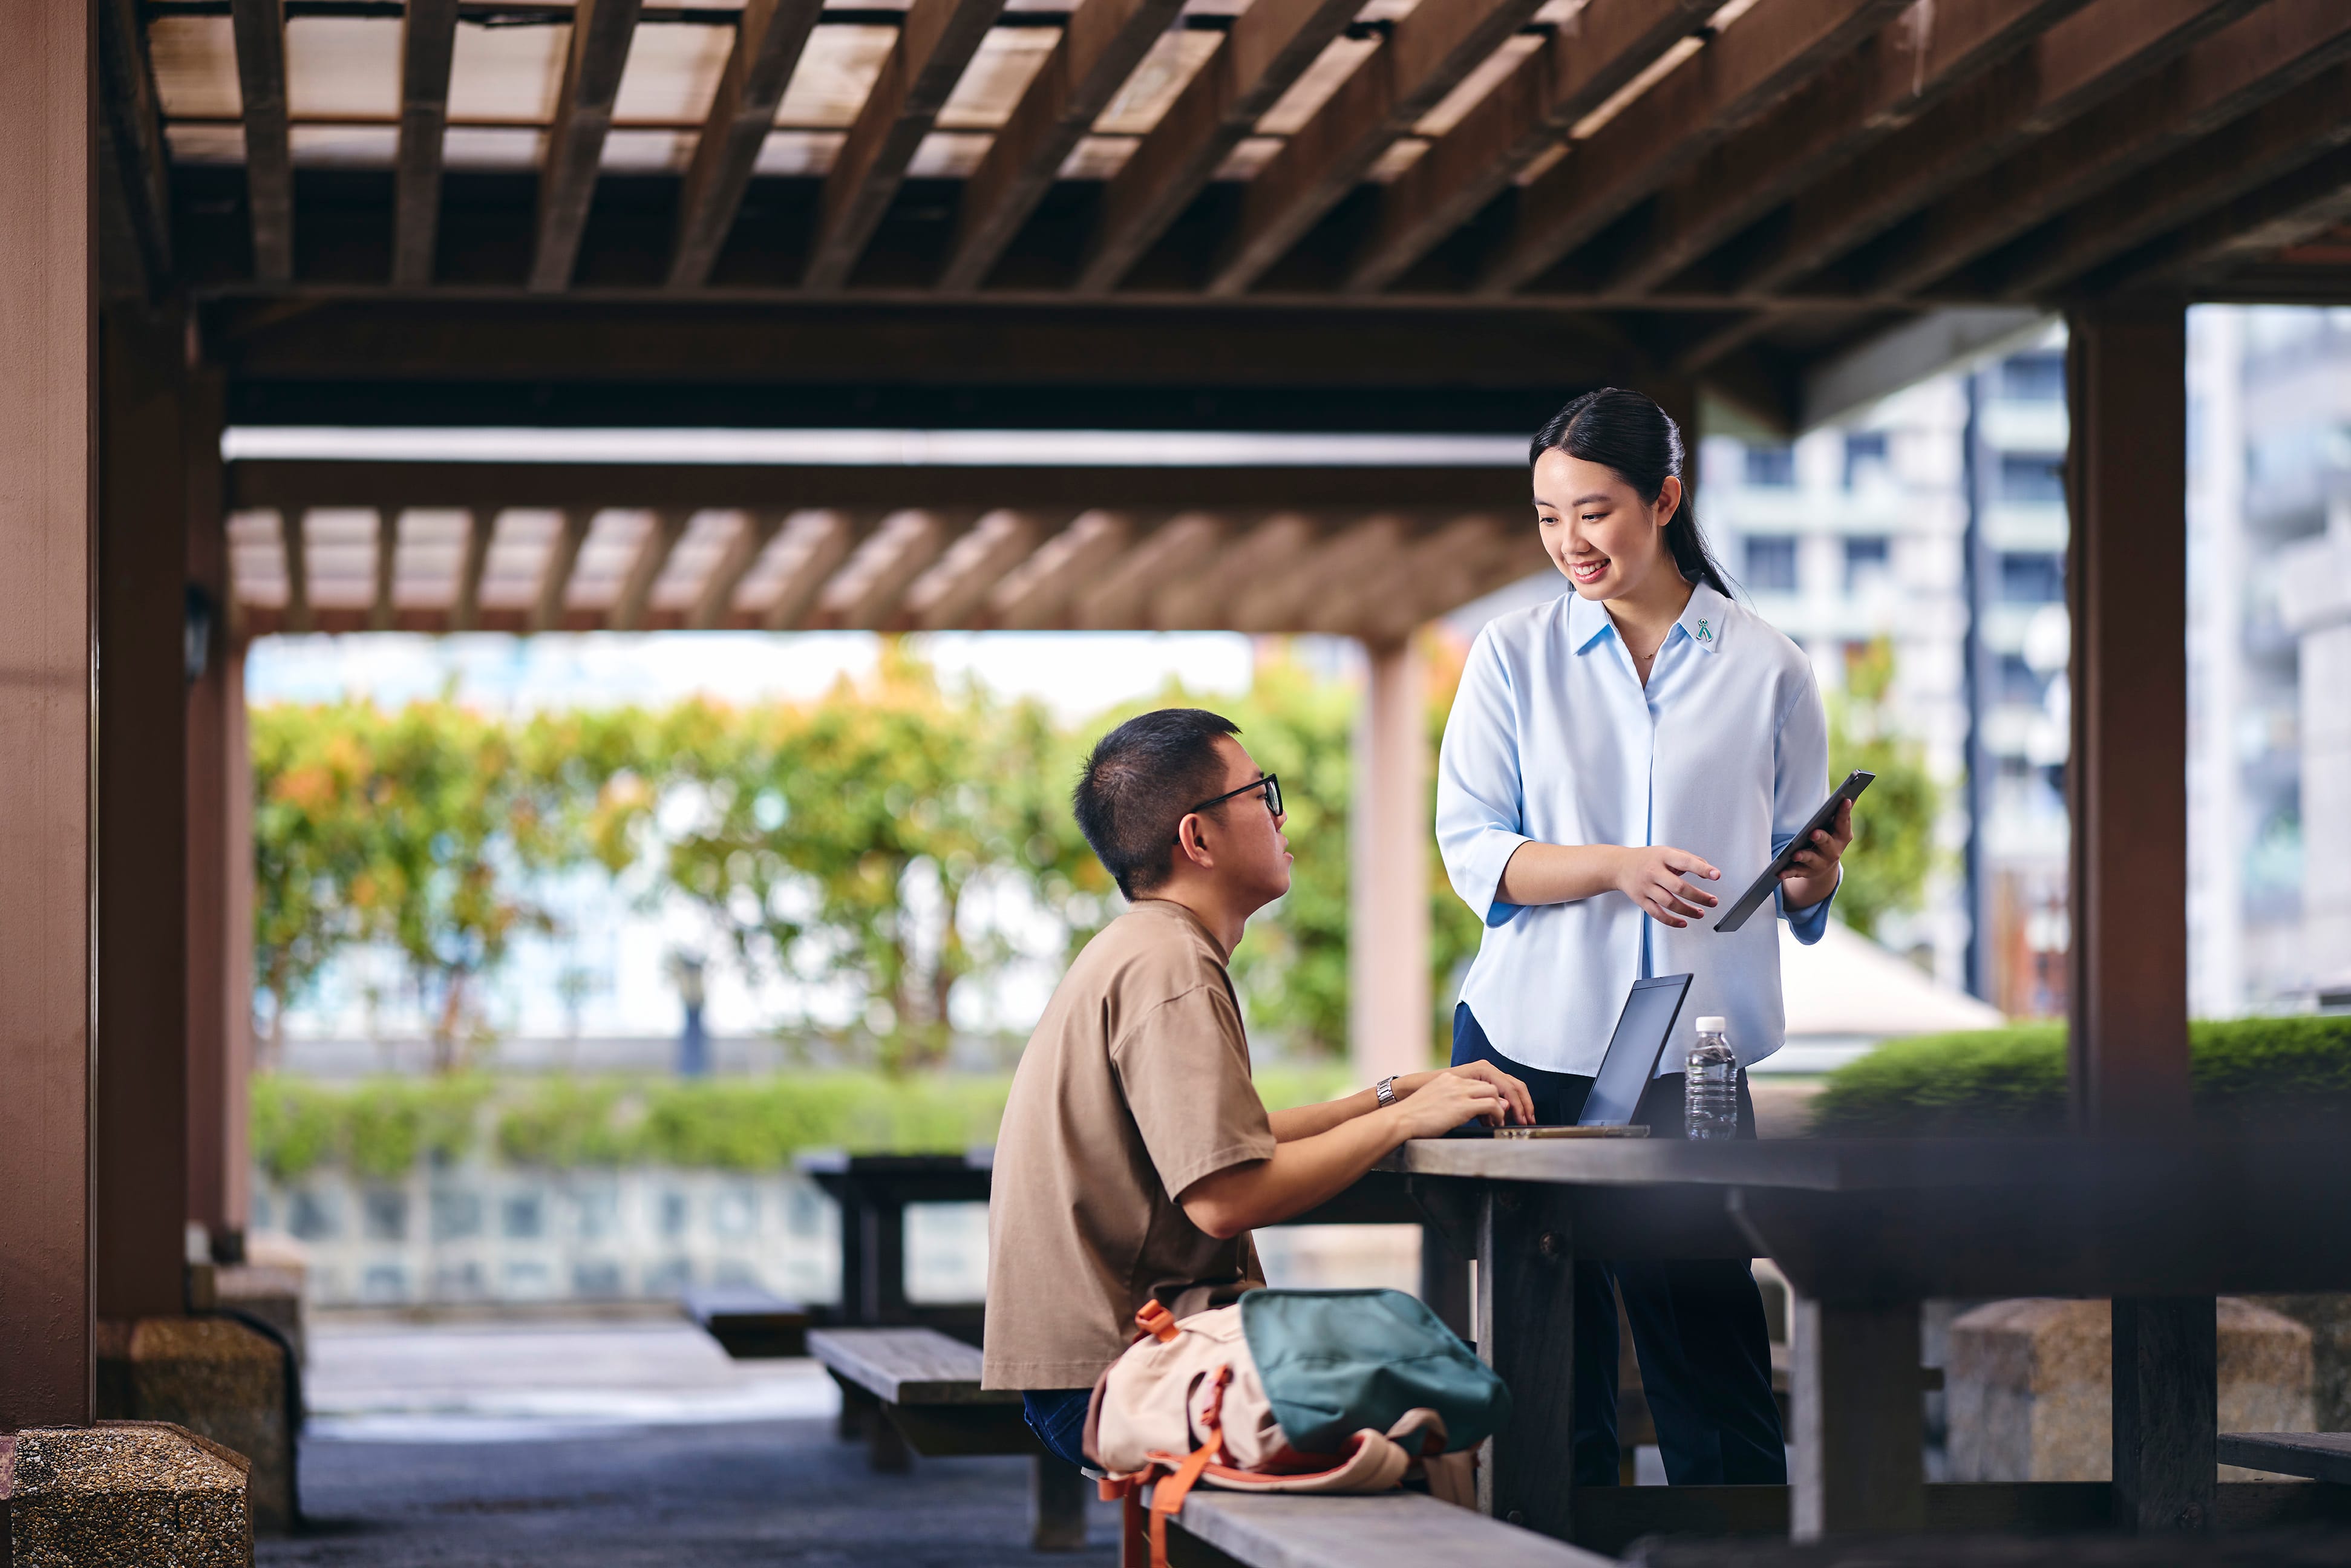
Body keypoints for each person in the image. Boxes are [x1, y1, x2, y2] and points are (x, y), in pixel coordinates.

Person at [1435, 388, 1852, 1488]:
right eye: (1547, 516)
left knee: (1707, 1349)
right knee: (1547, 1359)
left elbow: (1791, 869)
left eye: (1597, 511)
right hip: (1526, 1045)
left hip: (1694, 1055)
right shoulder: (1511, 655)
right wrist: (1617, 866)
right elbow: (1473, 849)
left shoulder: (1769, 666)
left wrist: (1816, 876)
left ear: (1665, 499)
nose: (1571, 540)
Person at [983, 707, 1532, 1471]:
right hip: (1129, 1369)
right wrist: (1403, 1126)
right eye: (1258, 793)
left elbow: (1226, 1136)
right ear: (1196, 838)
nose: (1279, 815)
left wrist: (1387, 1097)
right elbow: (1227, 1195)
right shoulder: (1172, 966)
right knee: (1439, 1402)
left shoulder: (1144, 946)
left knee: (1422, 1375)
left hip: (1105, 1361)